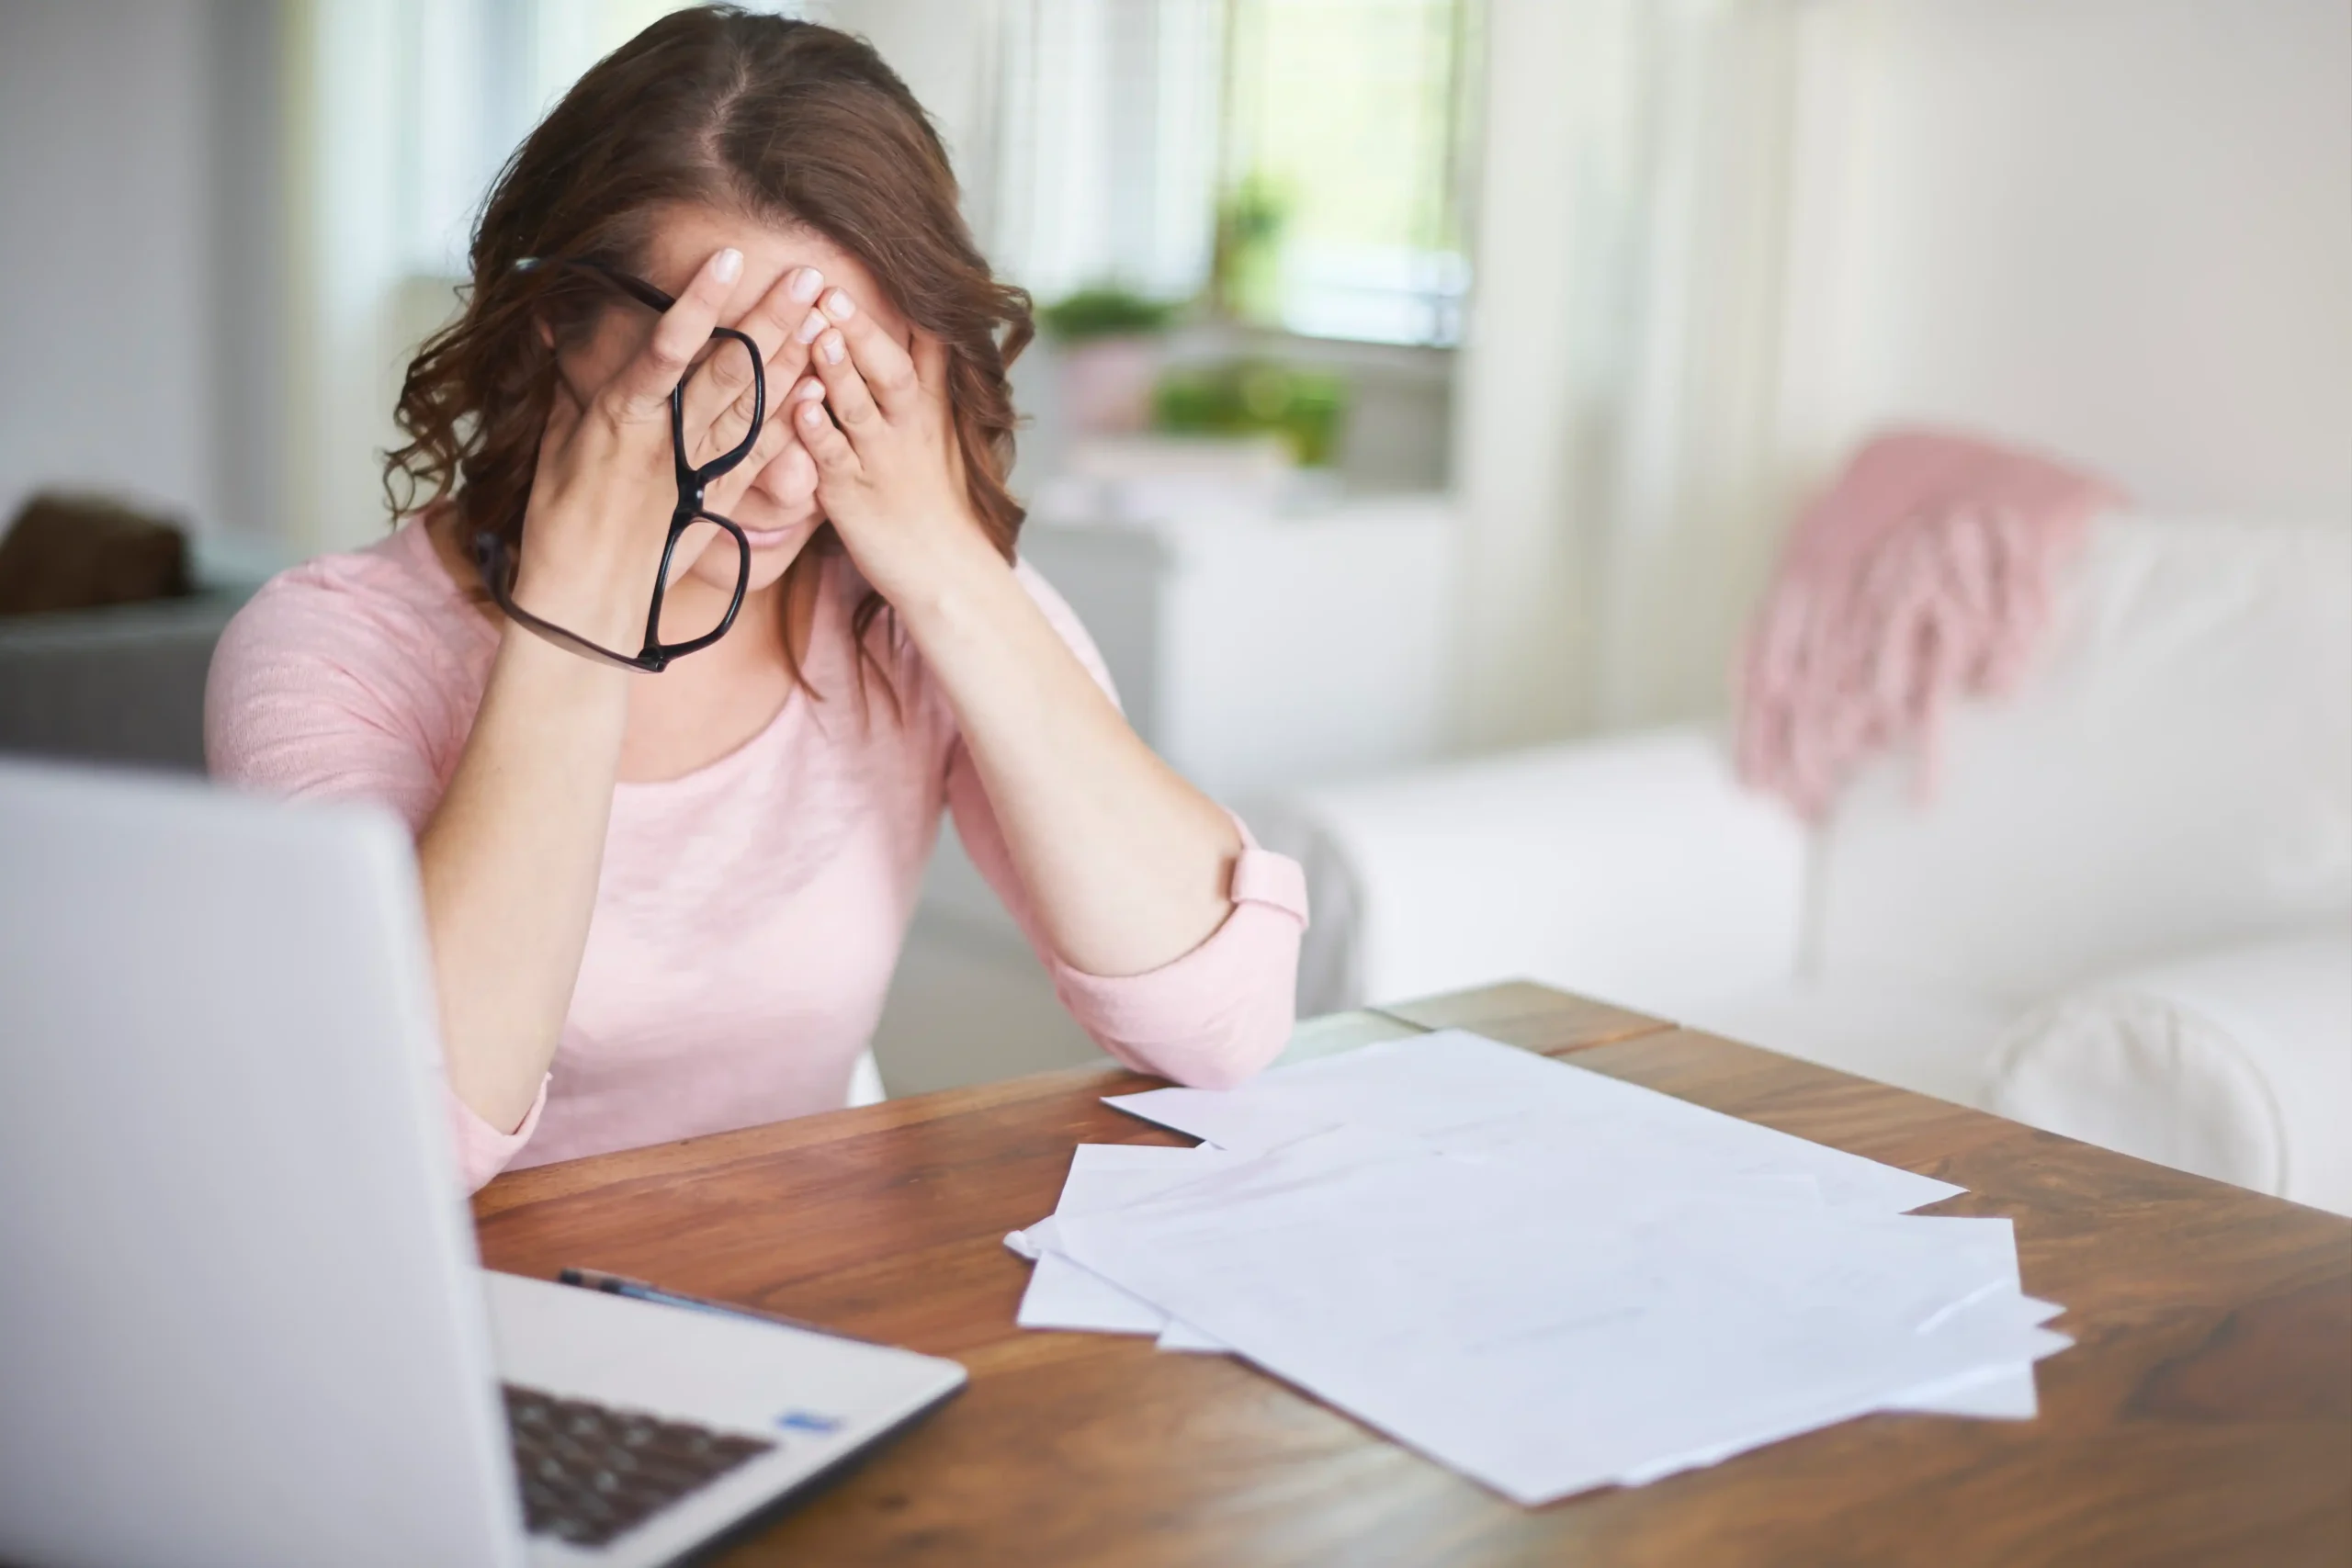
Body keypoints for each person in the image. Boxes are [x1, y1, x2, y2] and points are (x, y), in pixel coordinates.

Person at [206, 7, 1306, 1192]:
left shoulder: (908, 606)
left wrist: (943, 562)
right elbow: (406, 1141)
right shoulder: (329, 653)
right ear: (555, 329)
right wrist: (581, 612)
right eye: (719, 386)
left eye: (843, 387)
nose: (789, 476)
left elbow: (1222, 1029)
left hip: (797, 1321)